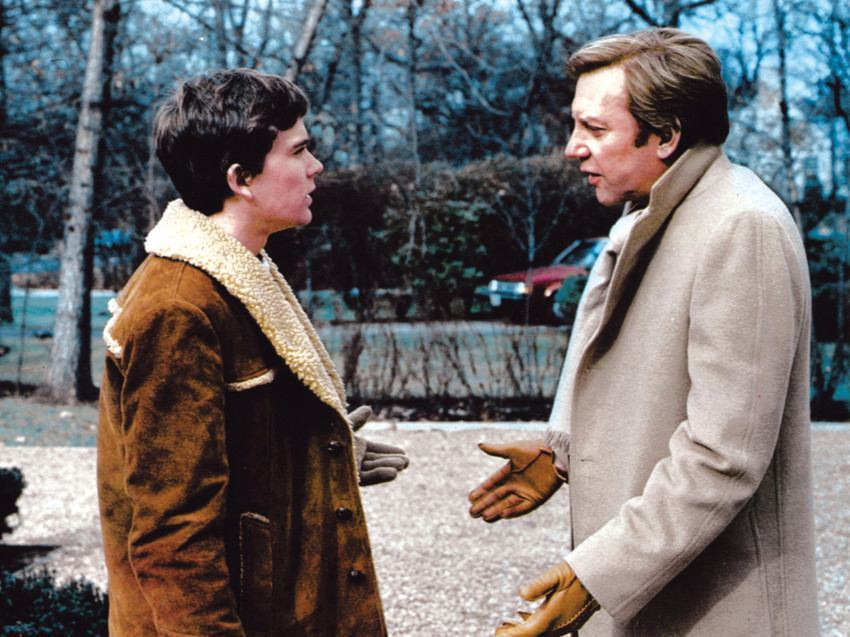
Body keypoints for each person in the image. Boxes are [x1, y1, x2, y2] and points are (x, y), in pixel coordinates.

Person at [469, 28, 818, 637]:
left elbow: (724, 456)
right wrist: (560, 452)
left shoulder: (742, 227)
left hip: (719, 616)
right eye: (575, 125)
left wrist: (594, 579)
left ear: (666, 135)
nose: (572, 148)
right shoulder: (652, 211)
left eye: (595, 128)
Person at [97, 68, 408, 636]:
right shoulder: (178, 309)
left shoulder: (240, 273)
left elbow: (232, 440)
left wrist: (318, 456)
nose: (316, 166)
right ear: (240, 178)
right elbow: (173, 538)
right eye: (300, 151)